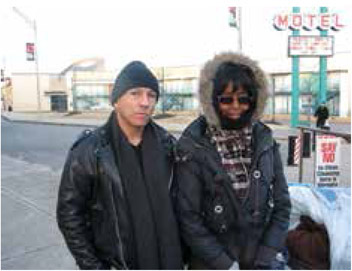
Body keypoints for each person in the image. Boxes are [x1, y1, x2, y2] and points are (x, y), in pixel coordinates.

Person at [57, 61, 183, 269]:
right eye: (135, 93)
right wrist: (94, 267)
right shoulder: (90, 151)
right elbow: (70, 216)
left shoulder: (169, 147)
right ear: (116, 100)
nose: (145, 102)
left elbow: (185, 207)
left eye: (151, 95)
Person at [174, 52, 291, 269]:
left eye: (244, 98)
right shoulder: (193, 146)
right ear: (212, 101)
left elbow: (282, 206)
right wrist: (225, 264)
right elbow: (188, 218)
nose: (235, 106)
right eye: (226, 99)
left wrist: (266, 256)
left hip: (260, 261)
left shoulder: (265, 141)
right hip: (212, 263)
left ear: (254, 100)